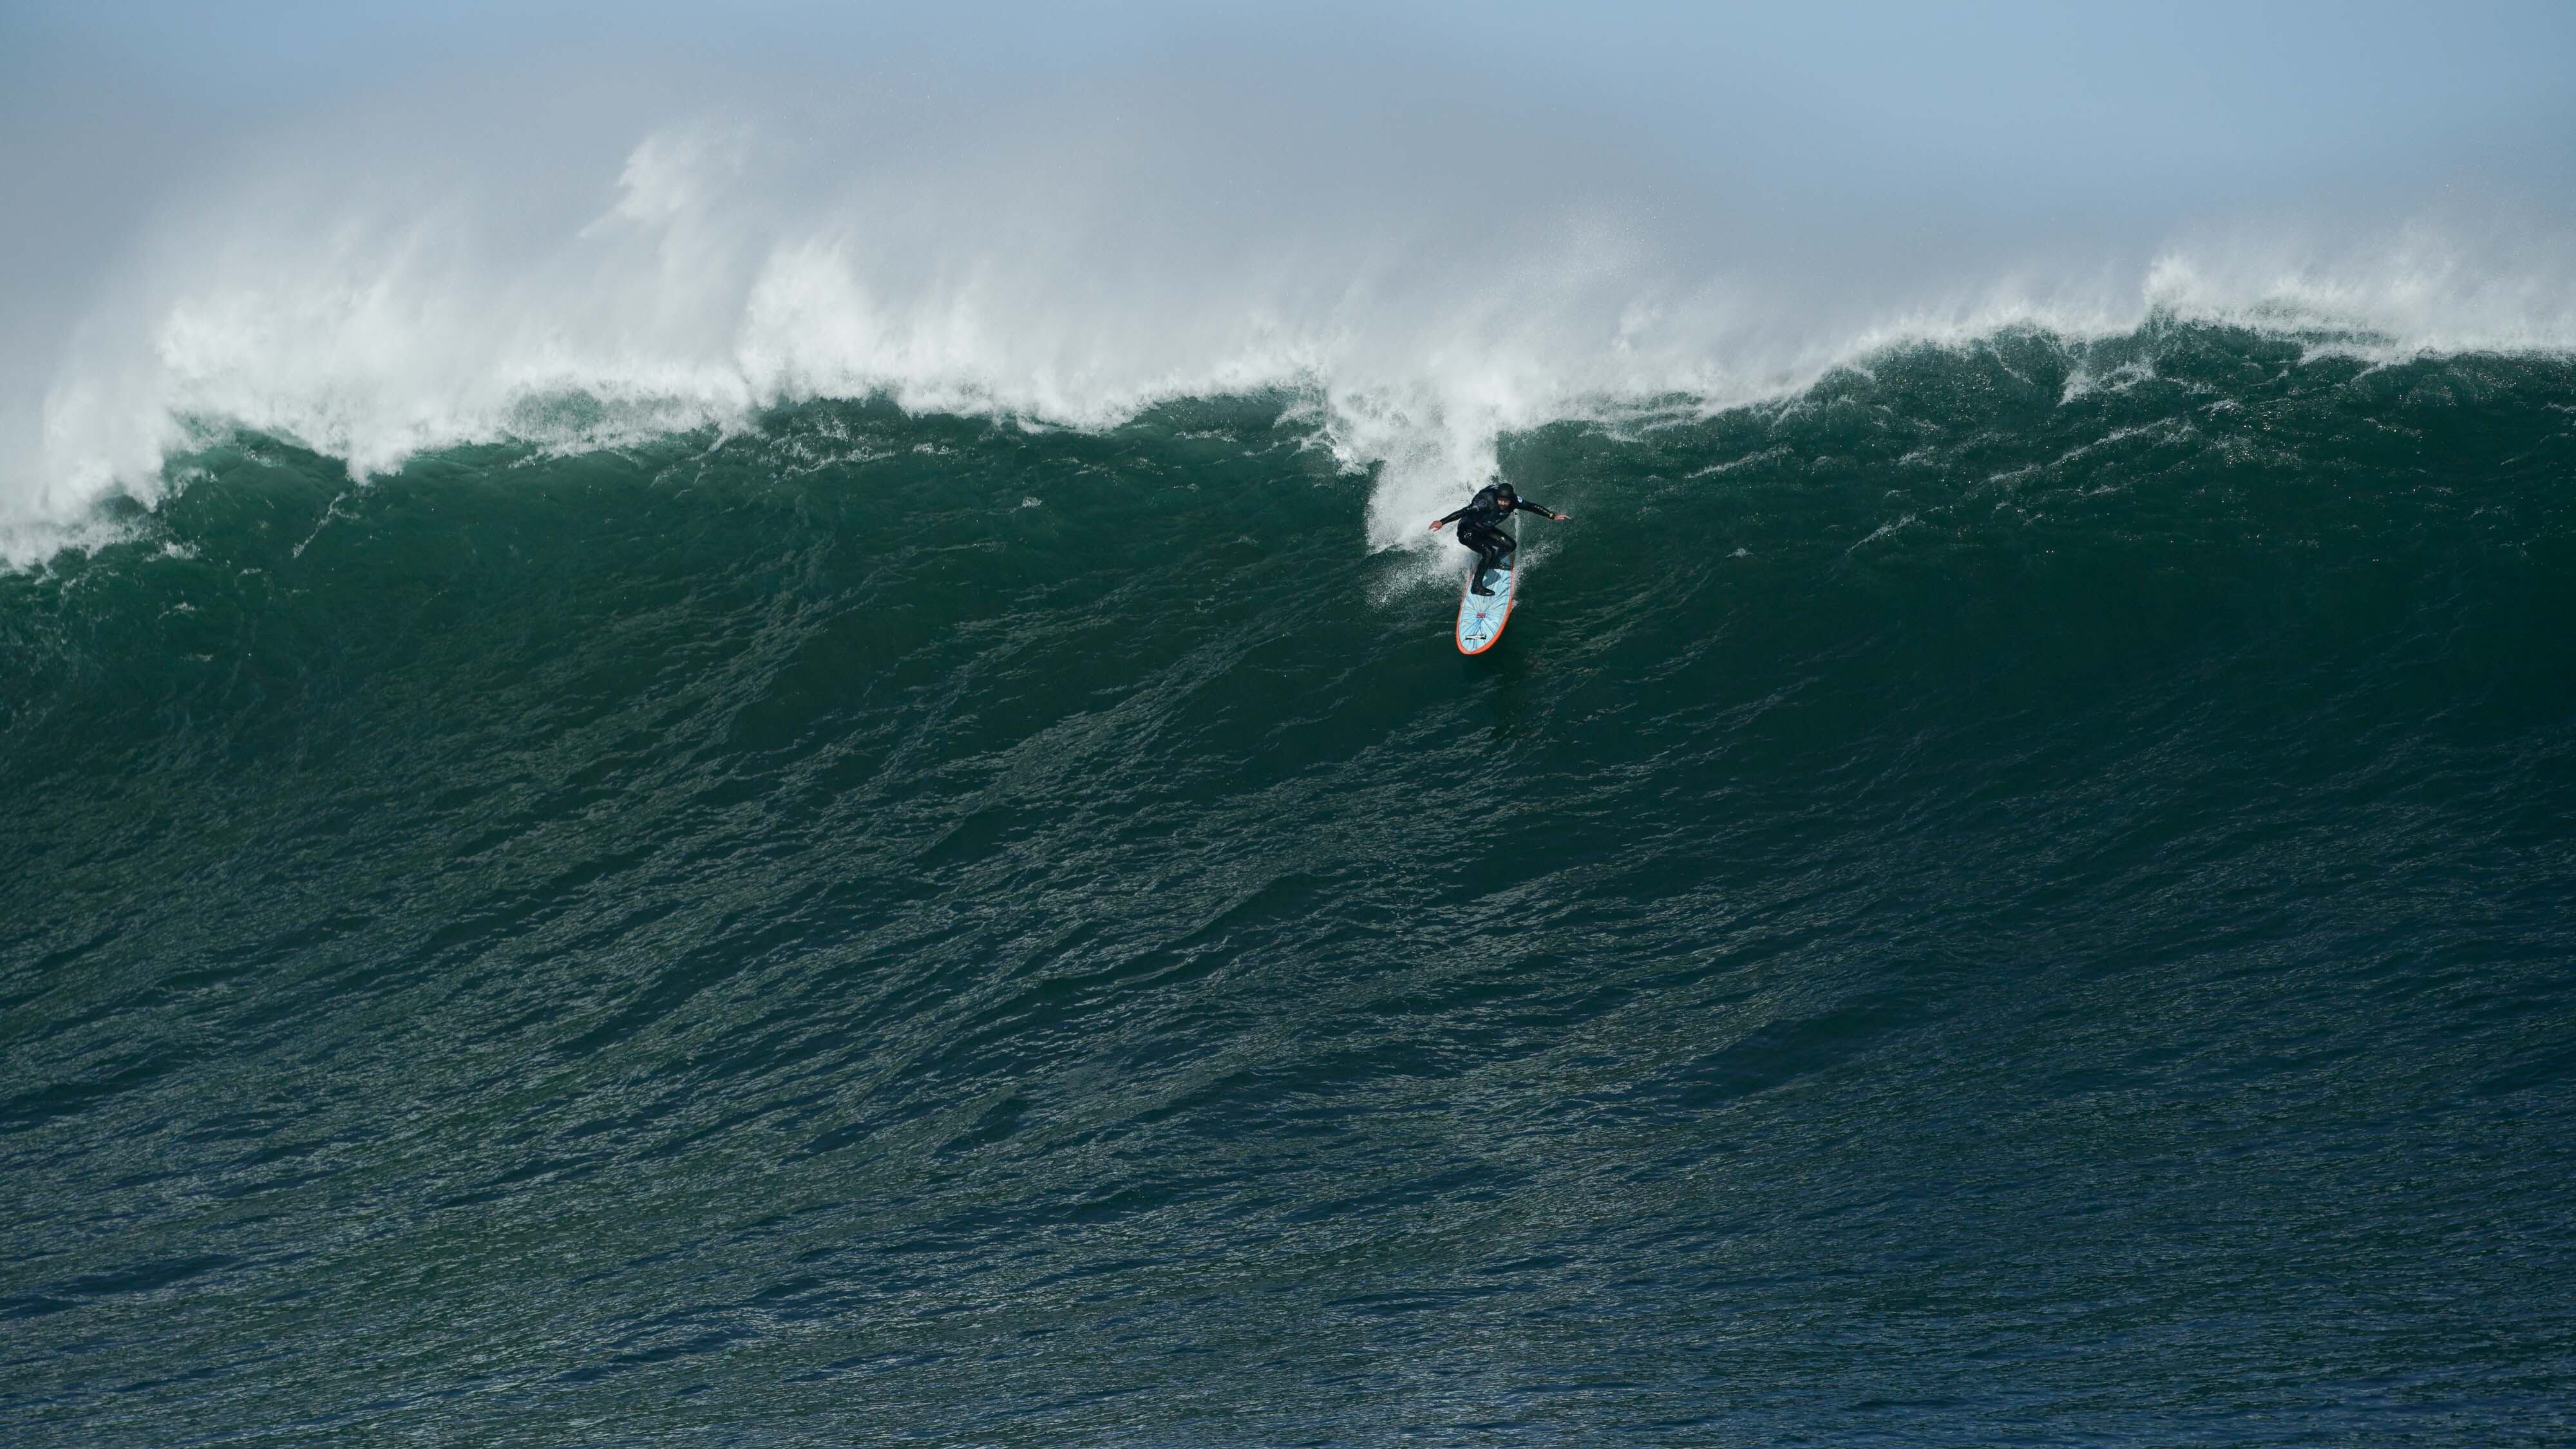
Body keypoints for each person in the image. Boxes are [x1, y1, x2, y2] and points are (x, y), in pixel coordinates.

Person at [1429, 482, 1569, 594]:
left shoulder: (1514, 500)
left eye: (1505, 501)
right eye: (1500, 500)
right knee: (1489, 552)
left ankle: (1491, 562)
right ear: (1496, 498)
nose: (1503, 504)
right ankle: (1476, 587)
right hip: (1468, 532)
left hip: (1485, 529)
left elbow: (1531, 506)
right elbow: (1464, 511)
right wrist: (1442, 522)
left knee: (1510, 546)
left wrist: (1552, 516)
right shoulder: (1484, 503)